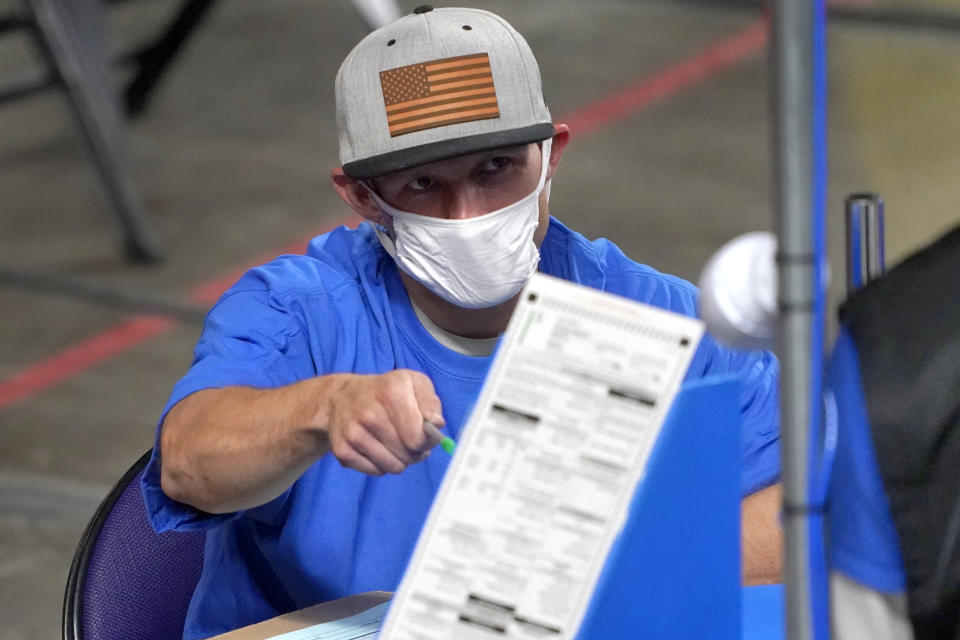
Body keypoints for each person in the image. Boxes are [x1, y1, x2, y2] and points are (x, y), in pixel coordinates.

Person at [142, 6, 783, 639]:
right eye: (422, 183)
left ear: (550, 154)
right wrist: (323, 408)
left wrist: (606, 578)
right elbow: (190, 465)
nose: (465, 214)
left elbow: (802, 513)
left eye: (495, 169)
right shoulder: (299, 311)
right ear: (362, 196)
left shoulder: (666, 323)